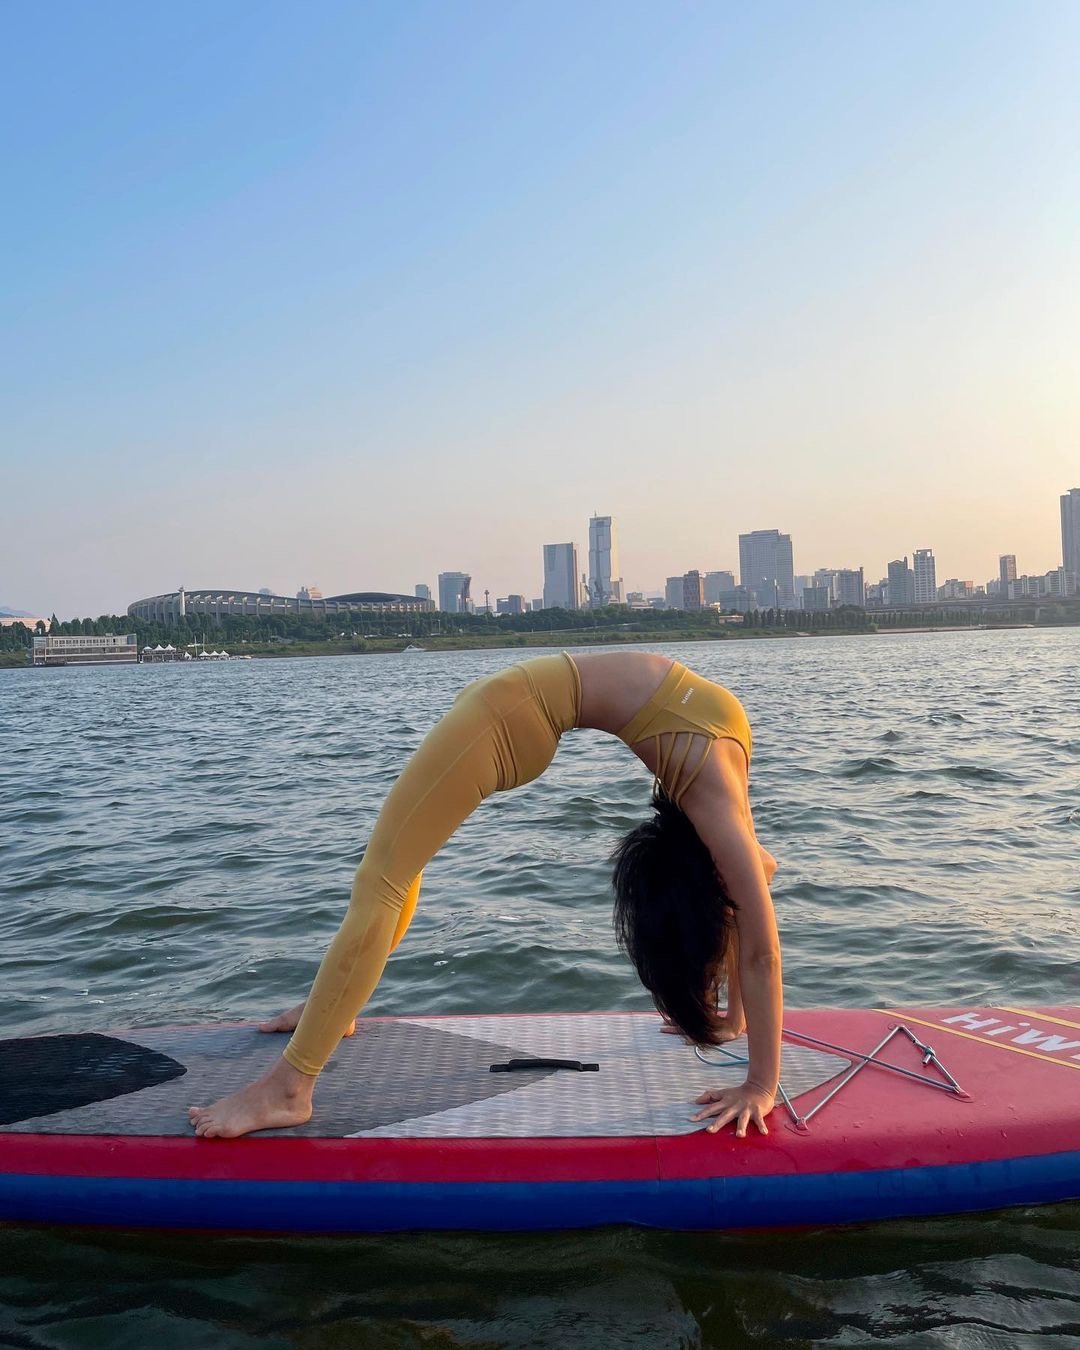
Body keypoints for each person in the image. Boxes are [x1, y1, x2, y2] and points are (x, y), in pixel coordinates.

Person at [188, 650, 782, 1140]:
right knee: (396, 875)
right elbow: (758, 912)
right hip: (519, 712)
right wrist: (741, 1042)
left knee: (383, 881)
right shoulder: (722, 824)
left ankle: (290, 1089)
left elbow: (757, 930)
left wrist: (747, 1059)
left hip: (509, 711)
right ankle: (330, 1011)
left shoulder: (716, 811)